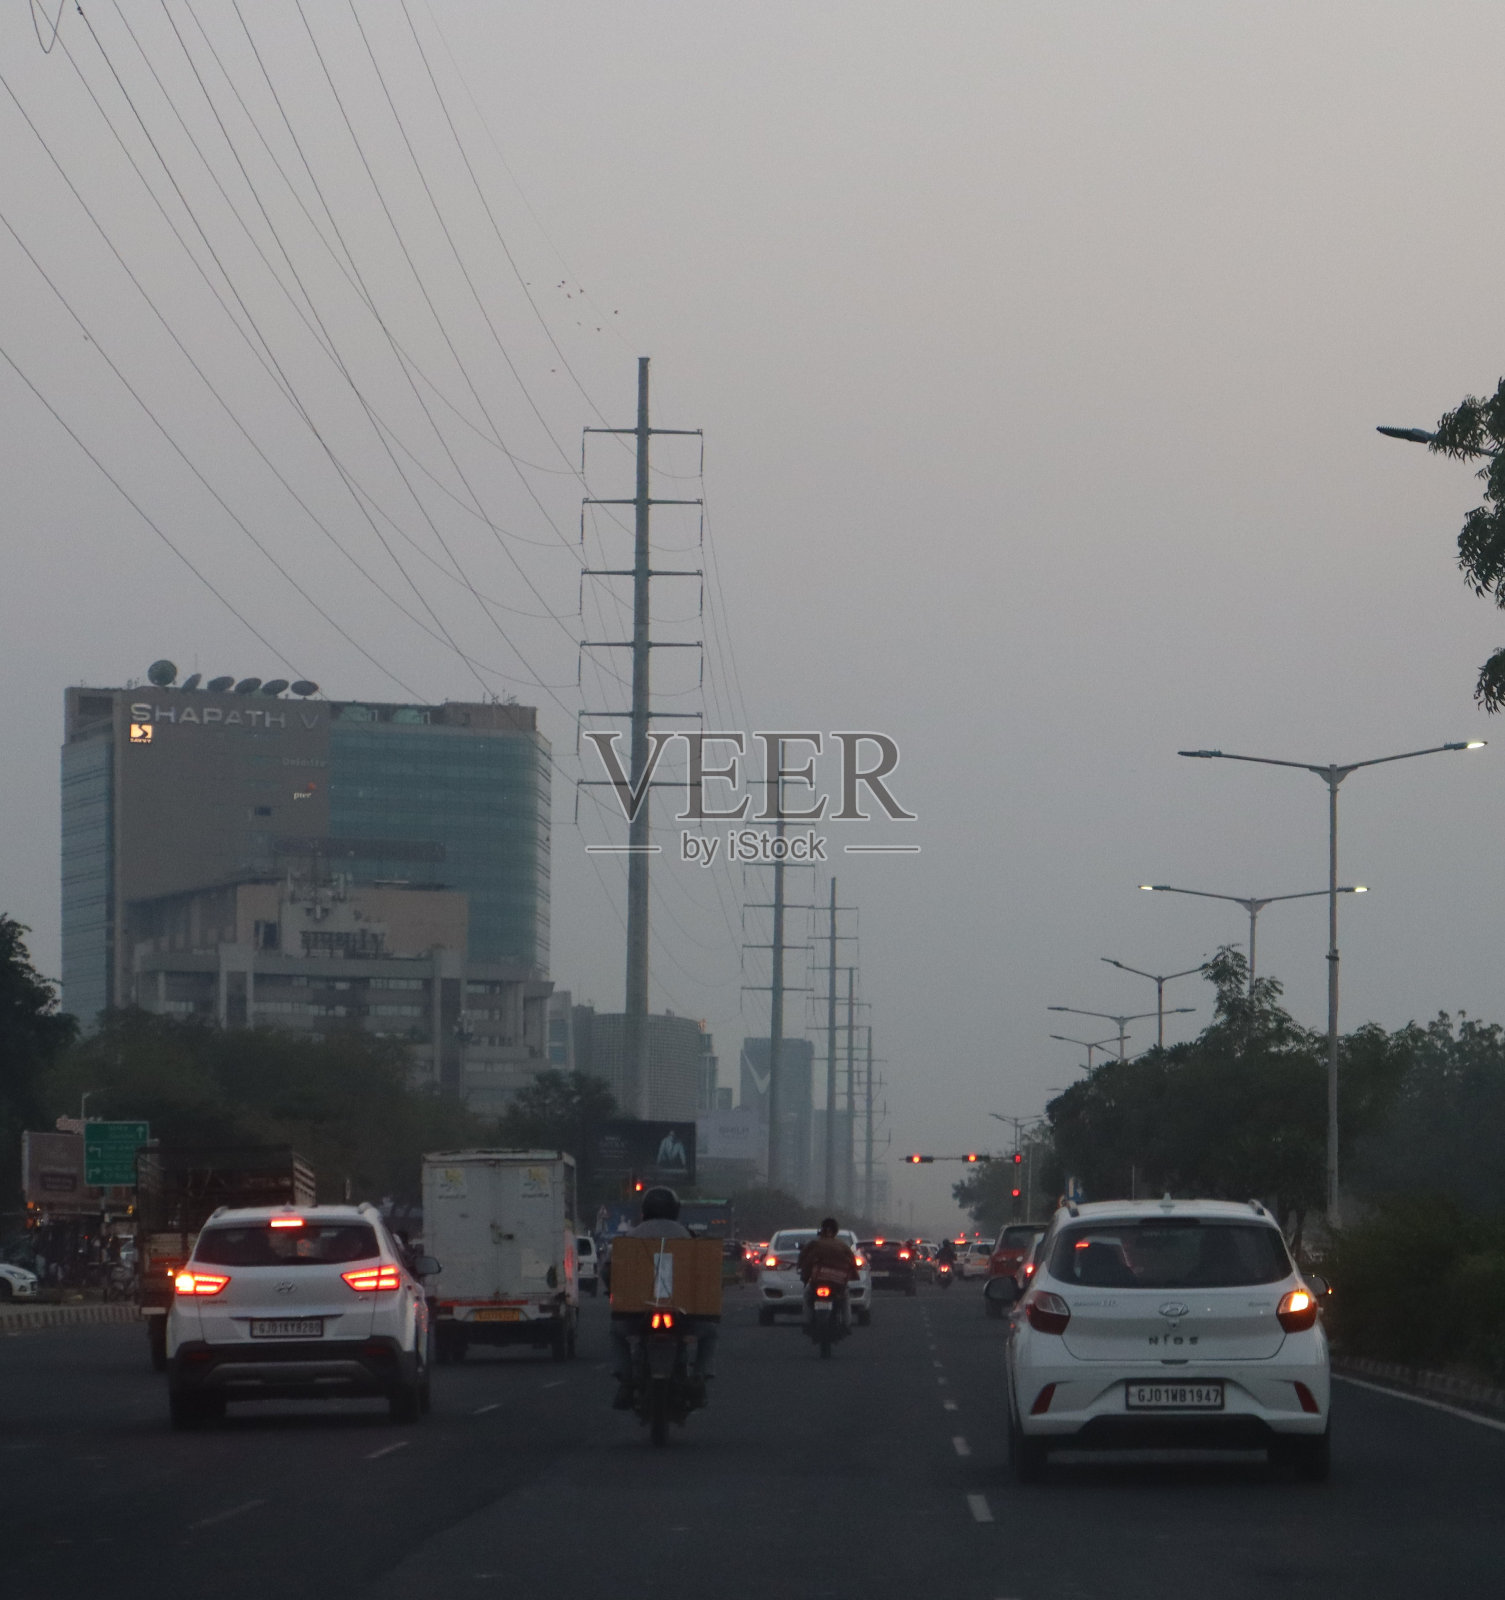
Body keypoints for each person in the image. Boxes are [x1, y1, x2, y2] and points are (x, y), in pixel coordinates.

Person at [609, 1186, 719, 1408]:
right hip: (682, 1312)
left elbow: (609, 1269)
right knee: (709, 1333)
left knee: (617, 1332)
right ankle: (698, 1376)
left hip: (638, 1313)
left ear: (645, 1209)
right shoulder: (687, 1236)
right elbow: (702, 1273)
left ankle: (626, 1381)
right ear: (674, 1210)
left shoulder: (632, 1236)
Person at [798, 1218, 860, 1329]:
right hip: (838, 1283)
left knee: (807, 1295)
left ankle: (807, 1323)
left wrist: (804, 1276)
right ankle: (847, 1324)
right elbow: (853, 1264)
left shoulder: (815, 1244)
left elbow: (805, 1262)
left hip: (818, 1281)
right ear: (835, 1231)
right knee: (845, 1298)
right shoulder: (843, 1246)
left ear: (822, 1230)